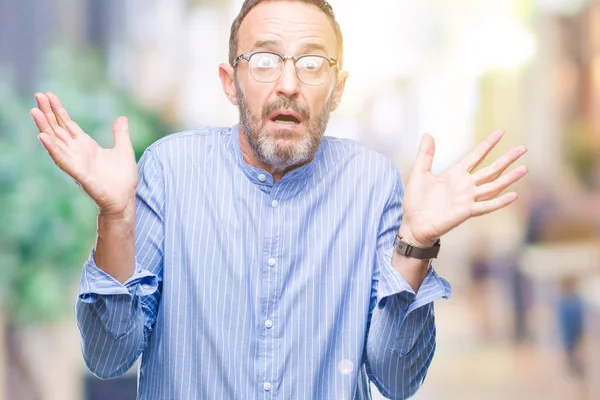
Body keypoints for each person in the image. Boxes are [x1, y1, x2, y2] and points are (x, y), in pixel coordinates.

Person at [30, 0, 528, 398]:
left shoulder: (373, 184)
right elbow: (108, 356)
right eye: (265, 60)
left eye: (312, 63)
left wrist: (417, 243)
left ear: (337, 89)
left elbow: (397, 380)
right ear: (231, 82)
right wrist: (115, 217)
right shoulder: (169, 170)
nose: (288, 85)